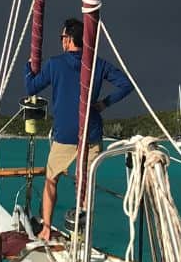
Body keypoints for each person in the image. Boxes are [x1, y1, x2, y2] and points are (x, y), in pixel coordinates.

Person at [24, 17, 133, 241]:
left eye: (62, 37)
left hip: (64, 134)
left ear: (69, 39)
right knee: (84, 184)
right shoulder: (98, 64)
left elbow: (31, 87)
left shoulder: (55, 64)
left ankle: (46, 228)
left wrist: (28, 67)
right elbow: (126, 84)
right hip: (91, 133)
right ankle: (81, 236)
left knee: (51, 180)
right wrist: (104, 103)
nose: (61, 41)